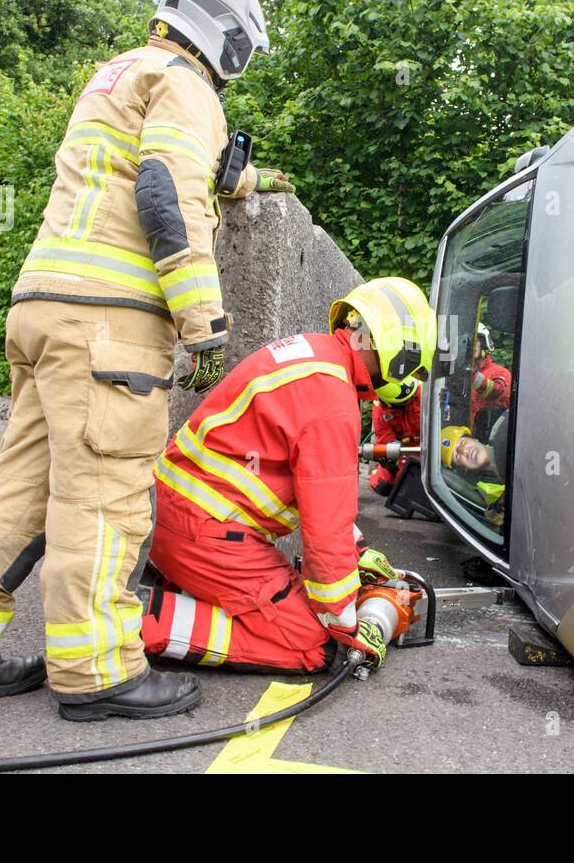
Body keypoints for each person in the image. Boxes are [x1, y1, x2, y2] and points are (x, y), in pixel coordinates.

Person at [0, 0, 292, 723]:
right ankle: (98, 673)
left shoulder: (120, 73)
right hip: (109, 325)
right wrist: (201, 316)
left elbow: (139, 169)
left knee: (20, 494)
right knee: (105, 502)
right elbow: (163, 187)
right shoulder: (189, 84)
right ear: (228, 34)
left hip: (45, 306)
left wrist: (240, 180)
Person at [141, 278, 436, 673]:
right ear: (400, 353)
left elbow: (317, 496)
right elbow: (326, 536)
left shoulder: (317, 356)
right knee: (311, 645)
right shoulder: (332, 401)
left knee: (283, 610)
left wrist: (359, 551)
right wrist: (348, 627)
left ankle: (162, 601)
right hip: (206, 533)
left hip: (176, 517)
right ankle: (136, 624)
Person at [368, 382, 422, 497]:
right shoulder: (381, 409)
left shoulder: (424, 396)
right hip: (403, 451)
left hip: (430, 448)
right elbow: (386, 443)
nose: (407, 404)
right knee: (383, 486)